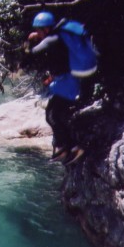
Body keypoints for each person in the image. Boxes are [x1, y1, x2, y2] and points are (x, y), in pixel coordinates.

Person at [25, 10, 98, 165]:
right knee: (56, 112)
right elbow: (61, 62)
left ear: (46, 29)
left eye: (39, 30)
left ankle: (73, 146)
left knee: (53, 114)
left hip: (72, 81)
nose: (37, 33)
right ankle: (65, 146)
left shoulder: (53, 38)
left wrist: (28, 43)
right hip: (81, 74)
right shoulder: (63, 35)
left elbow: (32, 53)